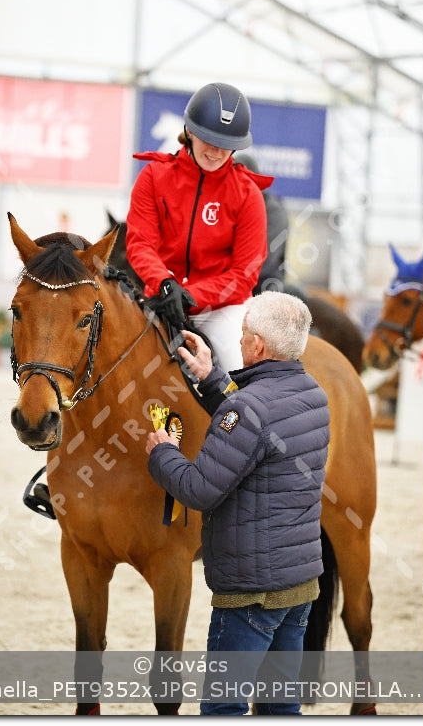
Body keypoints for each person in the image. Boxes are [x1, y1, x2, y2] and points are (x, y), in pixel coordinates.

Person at [145, 291, 330, 716]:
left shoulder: (248, 409)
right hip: (298, 585)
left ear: (259, 345)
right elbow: (256, 432)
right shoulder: (313, 395)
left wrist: (163, 452)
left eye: (244, 334)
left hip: (251, 594)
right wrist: (212, 378)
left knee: (223, 709)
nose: (241, 340)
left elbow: (199, 489)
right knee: (280, 707)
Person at [126, 82, 274, 371]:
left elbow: (244, 273)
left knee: (239, 365)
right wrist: (165, 284)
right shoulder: (153, 177)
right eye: (209, 138)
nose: (217, 151)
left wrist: (191, 296)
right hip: (159, 298)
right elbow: (140, 244)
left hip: (219, 310)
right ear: (190, 131)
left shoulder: (248, 194)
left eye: (227, 144)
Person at [233, 151, 290, 294]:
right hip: (231, 280)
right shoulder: (230, 204)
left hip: (265, 283)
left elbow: (264, 260)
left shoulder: (273, 211)